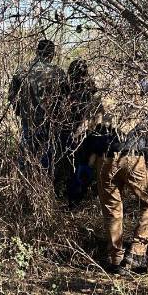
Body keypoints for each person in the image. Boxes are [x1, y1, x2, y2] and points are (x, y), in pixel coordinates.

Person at [94, 77, 148, 275]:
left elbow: (89, 131)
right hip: (133, 156)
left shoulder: (100, 100)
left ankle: (116, 260)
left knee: (112, 211)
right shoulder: (140, 100)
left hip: (105, 158)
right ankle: (137, 253)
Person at [8, 39, 68, 176]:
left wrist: (21, 111)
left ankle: (25, 181)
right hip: (50, 121)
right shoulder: (58, 72)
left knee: (26, 154)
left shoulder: (22, 70)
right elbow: (66, 98)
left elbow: (12, 96)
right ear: (52, 54)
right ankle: (45, 181)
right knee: (48, 155)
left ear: (37, 51)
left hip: (28, 121)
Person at [63, 58, 103, 207]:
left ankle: (76, 197)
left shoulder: (72, 89)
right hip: (89, 132)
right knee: (85, 164)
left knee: (79, 165)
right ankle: (82, 194)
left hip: (79, 132)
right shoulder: (91, 88)